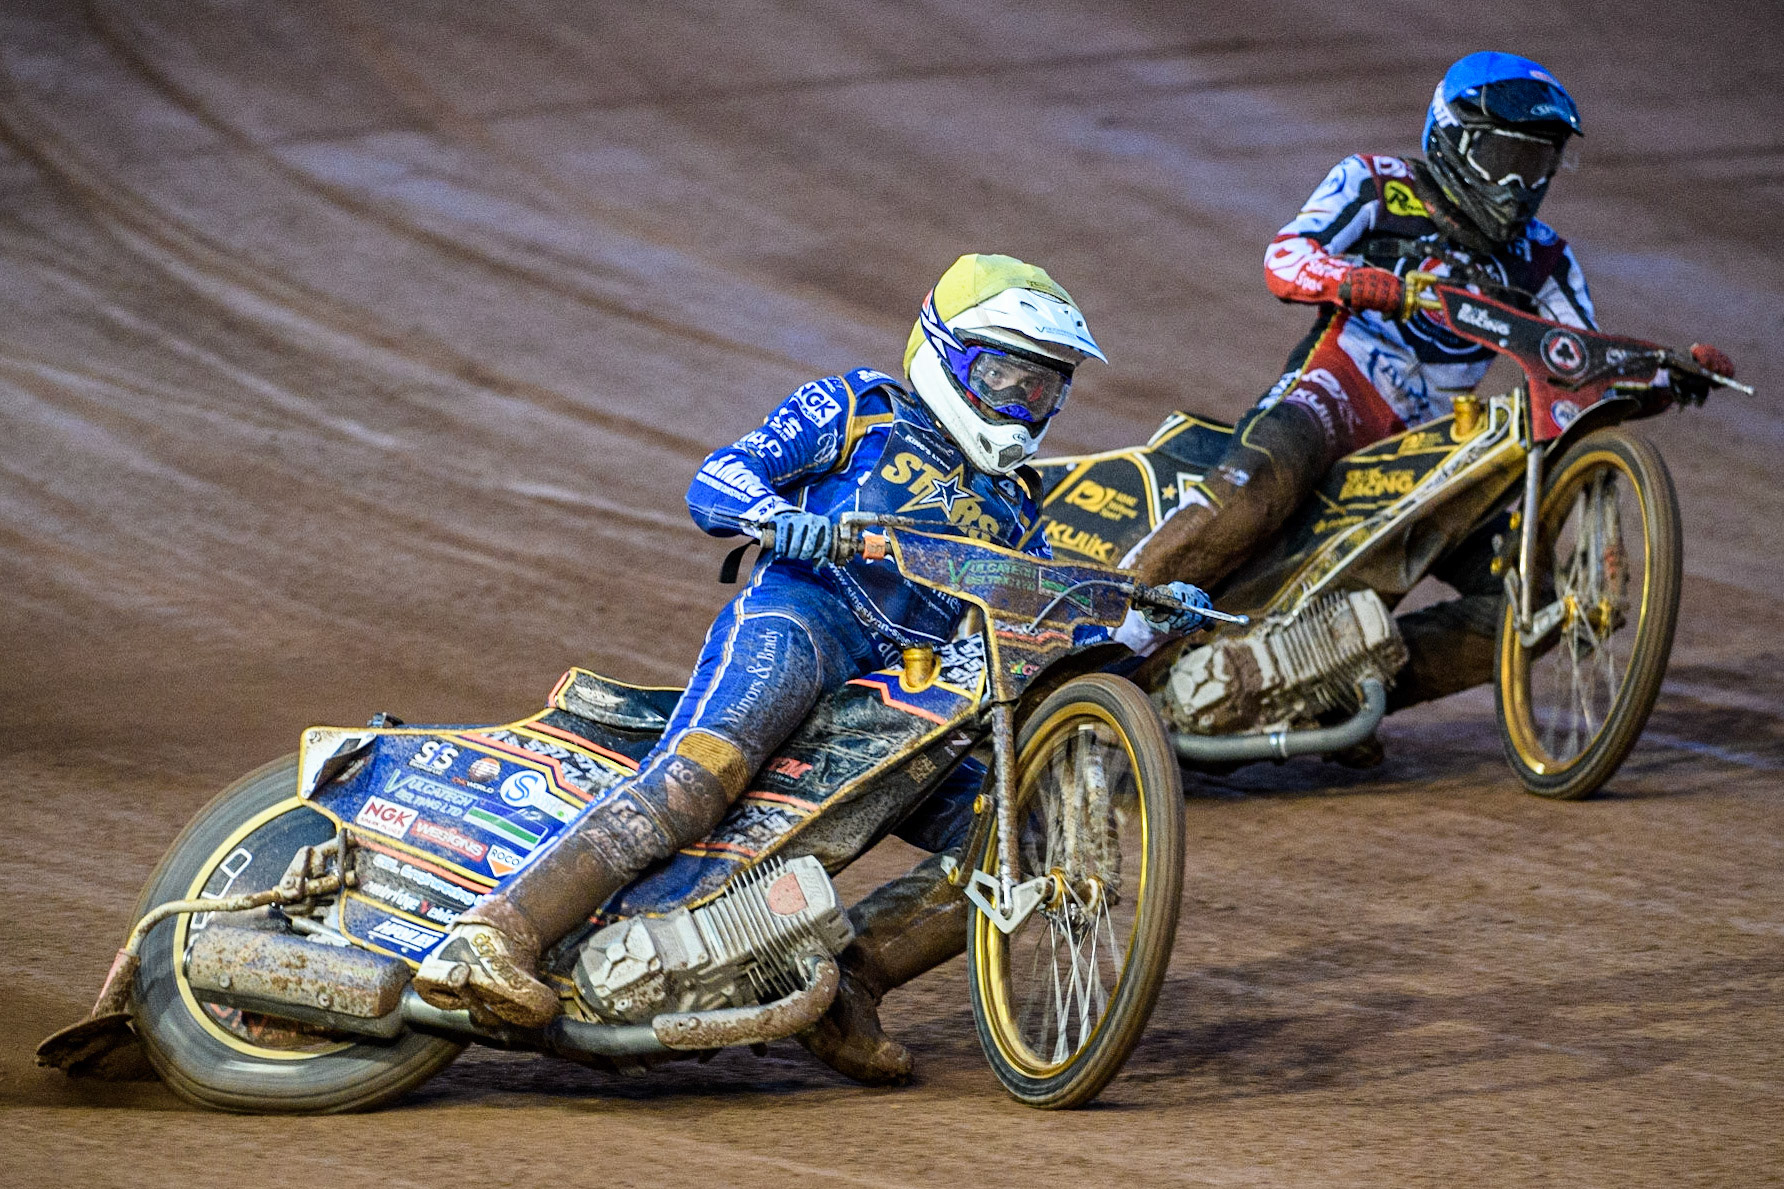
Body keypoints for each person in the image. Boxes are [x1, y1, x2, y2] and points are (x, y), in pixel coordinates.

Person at [414, 253, 1210, 1083]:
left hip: (907, 695)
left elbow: (1052, 609)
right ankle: (495, 934)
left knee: (1020, 843)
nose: (1022, 404)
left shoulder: (1016, 506)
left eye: (1042, 388)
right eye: (1005, 375)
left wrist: (1144, 610)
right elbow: (719, 474)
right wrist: (773, 515)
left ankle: (849, 989)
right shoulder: (860, 406)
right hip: (805, 617)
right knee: (699, 777)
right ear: (944, 351)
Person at [1128, 51, 1734, 712]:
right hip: (1339, 388)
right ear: (1453, 137)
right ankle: (1100, 630)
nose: (1520, 184)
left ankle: (1339, 693)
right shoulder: (1375, 183)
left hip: (1443, 452)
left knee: (1536, 603)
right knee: (1260, 493)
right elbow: (1285, 257)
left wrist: (1662, 376)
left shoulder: (1546, 258)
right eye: (1506, 158)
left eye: (1538, 165)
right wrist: (1348, 280)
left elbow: (1577, 365)